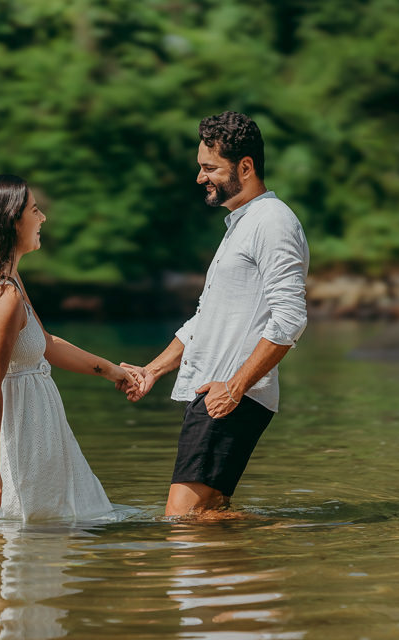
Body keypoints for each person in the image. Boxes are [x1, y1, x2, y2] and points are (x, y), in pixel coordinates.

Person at [123, 111, 310, 518]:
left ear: (245, 167)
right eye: (200, 167)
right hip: (216, 394)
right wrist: (153, 370)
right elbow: (204, 321)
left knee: (181, 522)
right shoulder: (240, 225)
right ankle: (244, 575)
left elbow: (291, 317)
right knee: (206, 516)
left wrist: (236, 386)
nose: (200, 177)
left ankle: (298, 538)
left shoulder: (273, 222)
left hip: (230, 397)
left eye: (210, 168)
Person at [0, 174, 140, 522]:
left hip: (34, 423)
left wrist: (112, 370)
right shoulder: (4, 295)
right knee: (27, 524)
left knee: (51, 527)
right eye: (35, 211)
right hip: (20, 429)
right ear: (11, 221)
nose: (43, 219)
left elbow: (45, 343)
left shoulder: (9, 282)